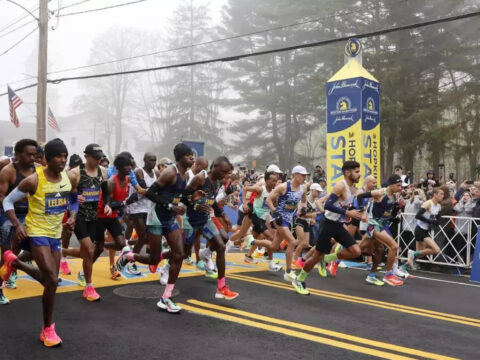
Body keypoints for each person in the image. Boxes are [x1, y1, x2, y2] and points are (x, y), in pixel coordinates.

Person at [1, 138, 78, 347]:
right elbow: (7, 200)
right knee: (52, 280)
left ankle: (14, 263)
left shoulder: (69, 177)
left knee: (49, 282)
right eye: (58, 157)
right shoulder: (34, 180)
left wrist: (72, 216)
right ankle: (48, 329)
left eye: (65, 156)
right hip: (36, 232)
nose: (62, 160)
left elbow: (73, 198)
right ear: (46, 159)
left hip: (55, 234)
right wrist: (17, 225)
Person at [117, 144, 194, 312]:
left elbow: (178, 196)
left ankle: (166, 297)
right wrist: (170, 206)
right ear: (180, 157)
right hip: (157, 218)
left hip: (170, 218)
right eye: (189, 156)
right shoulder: (170, 173)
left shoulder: (186, 174)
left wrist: (185, 202)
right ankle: (128, 255)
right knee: (153, 259)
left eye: (193, 155)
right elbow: (149, 193)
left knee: (179, 254)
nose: (192, 158)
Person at [292, 161, 363, 295]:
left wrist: (359, 213)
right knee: (316, 256)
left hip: (338, 225)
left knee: (356, 251)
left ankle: (329, 258)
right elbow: (328, 206)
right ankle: (299, 279)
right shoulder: (340, 186)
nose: (360, 175)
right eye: (357, 172)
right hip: (328, 223)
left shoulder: (353, 188)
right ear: (348, 172)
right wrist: (348, 213)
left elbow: (349, 205)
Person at [182, 156, 239, 300]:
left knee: (220, 245)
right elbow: (183, 197)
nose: (226, 176)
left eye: (228, 173)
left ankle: (221, 287)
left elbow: (211, 202)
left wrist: (223, 214)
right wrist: (195, 205)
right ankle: (165, 266)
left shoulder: (217, 182)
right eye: (225, 172)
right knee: (182, 254)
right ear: (214, 168)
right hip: (189, 220)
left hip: (205, 220)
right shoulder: (200, 179)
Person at [61, 144, 107, 301]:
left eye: (100, 157)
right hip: (78, 215)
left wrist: (106, 204)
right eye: (95, 157)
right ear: (86, 156)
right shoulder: (74, 174)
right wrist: (73, 199)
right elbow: (60, 192)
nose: (98, 160)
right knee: (88, 249)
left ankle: (64, 252)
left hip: (93, 217)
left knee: (87, 252)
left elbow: (106, 192)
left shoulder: (103, 171)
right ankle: (89, 286)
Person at [0, 139, 37, 303]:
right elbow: (1, 197)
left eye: (34, 154)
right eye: (28, 154)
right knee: (6, 254)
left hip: (30, 215)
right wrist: (16, 221)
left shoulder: (37, 171)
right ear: (18, 154)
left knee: (37, 249)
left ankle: (13, 265)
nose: (32, 158)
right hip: (8, 215)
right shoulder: (8, 171)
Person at [358, 175, 406, 286]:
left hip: (383, 226)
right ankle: (388, 275)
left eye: (401, 186)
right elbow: (360, 197)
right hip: (374, 226)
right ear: (391, 184)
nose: (400, 188)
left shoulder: (394, 197)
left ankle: (371, 276)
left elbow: (390, 214)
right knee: (393, 246)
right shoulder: (380, 193)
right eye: (398, 185)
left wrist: (399, 207)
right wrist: (362, 211)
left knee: (368, 250)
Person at [265, 165, 308, 282]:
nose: (304, 177)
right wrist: (274, 211)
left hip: (289, 219)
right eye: (302, 175)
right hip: (279, 218)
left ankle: (252, 241)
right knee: (292, 242)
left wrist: (302, 208)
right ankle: (288, 272)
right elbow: (268, 199)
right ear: (295, 175)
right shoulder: (283, 187)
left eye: (305, 175)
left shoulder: (303, 188)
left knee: (274, 247)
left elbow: (304, 201)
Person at [92, 154, 131, 276]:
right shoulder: (111, 182)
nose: (129, 168)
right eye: (126, 166)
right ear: (118, 168)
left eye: (130, 165)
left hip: (112, 216)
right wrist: (122, 204)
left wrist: (122, 209)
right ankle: (84, 271)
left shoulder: (127, 180)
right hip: (100, 216)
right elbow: (108, 204)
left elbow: (120, 202)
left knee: (120, 243)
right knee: (97, 250)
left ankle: (103, 245)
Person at [242, 171, 282, 271]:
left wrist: (276, 203)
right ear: (266, 181)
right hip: (255, 215)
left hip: (263, 218)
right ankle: (270, 262)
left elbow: (273, 205)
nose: (274, 183)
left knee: (255, 237)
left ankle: (248, 254)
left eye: (276, 181)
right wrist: (245, 203)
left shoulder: (274, 193)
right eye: (272, 180)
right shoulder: (260, 188)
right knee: (270, 237)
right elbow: (246, 188)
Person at [124, 152, 157, 274]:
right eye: (150, 160)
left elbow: (156, 189)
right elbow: (144, 189)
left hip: (148, 208)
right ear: (145, 160)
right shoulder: (139, 172)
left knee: (147, 237)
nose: (153, 162)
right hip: (136, 208)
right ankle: (131, 262)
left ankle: (127, 252)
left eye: (154, 160)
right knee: (143, 237)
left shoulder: (156, 174)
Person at [408, 187, 444, 269]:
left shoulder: (438, 206)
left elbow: (438, 219)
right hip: (420, 229)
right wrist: (430, 221)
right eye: (441, 194)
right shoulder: (428, 203)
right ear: (435, 195)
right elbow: (418, 215)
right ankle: (412, 254)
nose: (443, 196)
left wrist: (437, 222)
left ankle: (405, 266)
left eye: (443, 194)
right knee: (436, 250)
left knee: (420, 253)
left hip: (426, 230)